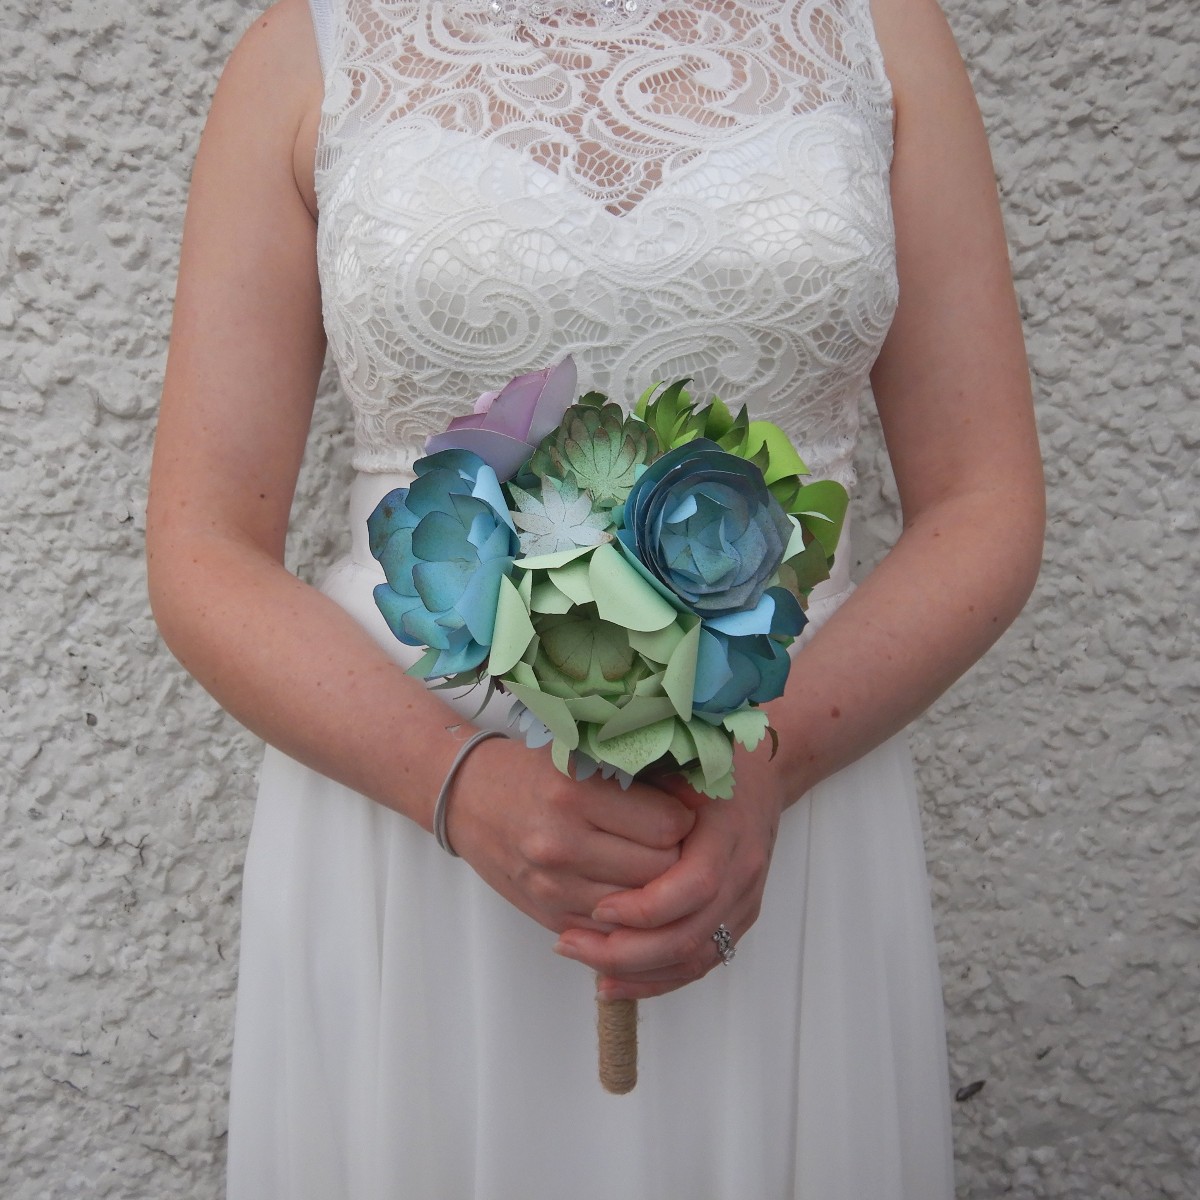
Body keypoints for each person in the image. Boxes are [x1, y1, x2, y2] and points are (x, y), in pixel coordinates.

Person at [146, 0, 1044, 1195]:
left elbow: (984, 501)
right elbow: (202, 545)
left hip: (775, 787)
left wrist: (768, 765)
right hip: (409, 800)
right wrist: (457, 788)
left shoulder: (880, 37)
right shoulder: (309, 50)